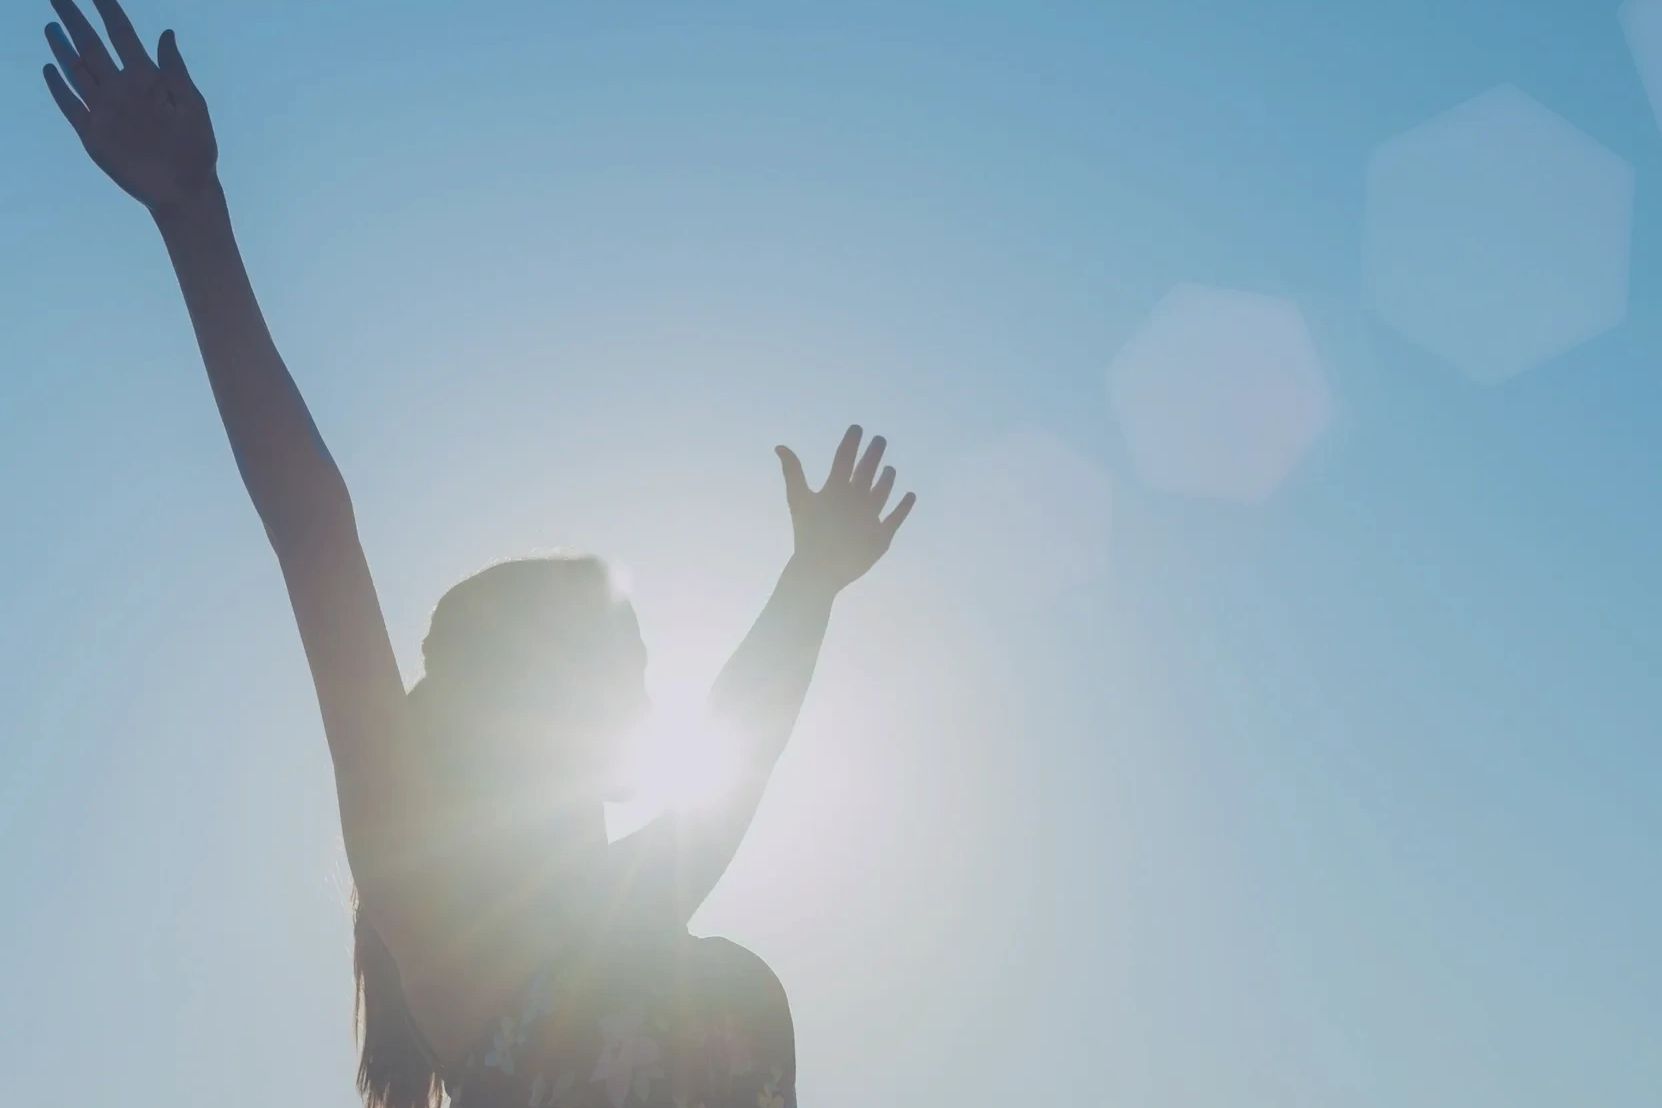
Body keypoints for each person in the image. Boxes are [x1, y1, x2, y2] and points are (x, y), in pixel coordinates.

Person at [40, 2, 917, 1105]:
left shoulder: (646, 909)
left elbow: (753, 729)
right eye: (620, 665)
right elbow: (317, 537)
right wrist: (193, 215)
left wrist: (813, 581)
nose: (650, 696)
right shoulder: (462, 948)